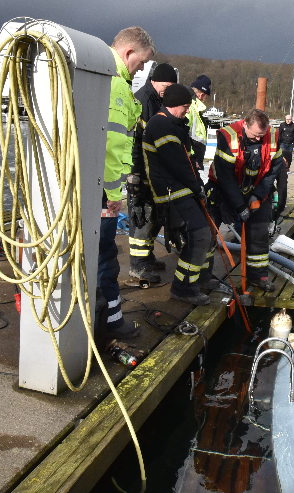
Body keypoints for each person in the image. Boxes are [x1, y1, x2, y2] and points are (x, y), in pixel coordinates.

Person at [99, 26, 154, 339]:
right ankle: (111, 322)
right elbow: (111, 149)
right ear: (129, 53)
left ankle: (98, 317)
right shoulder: (116, 86)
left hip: (86, 191)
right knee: (106, 258)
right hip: (102, 197)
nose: (141, 69)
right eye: (141, 62)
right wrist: (114, 195)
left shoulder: (97, 74)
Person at [143, 84, 214, 305]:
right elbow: (177, 164)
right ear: (174, 105)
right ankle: (183, 287)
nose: (186, 111)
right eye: (185, 107)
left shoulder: (171, 124)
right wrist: (197, 187)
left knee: (200, 235)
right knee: (200, 234)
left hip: (179, 190)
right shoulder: (162, 126)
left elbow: (186, 159)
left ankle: (194, 281)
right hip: (172, 192)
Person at [204, 108, 284, 292]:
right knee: (208, 232)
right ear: (245, 125)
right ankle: (203, 277)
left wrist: (258, 195)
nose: (258, 139)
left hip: (256, 189)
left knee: (259, 234)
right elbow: (225, 176)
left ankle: (258, 276)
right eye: (255, 135)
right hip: (223, 190)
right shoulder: (228, 137)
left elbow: (273, 172)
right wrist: (240, 206)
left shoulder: (272, 137)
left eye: (261, 136)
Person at [127, 63, 178, 284]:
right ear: (154, 80)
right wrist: (135, 176)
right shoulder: (143, 101)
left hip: (154, 170)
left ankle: (146, 257)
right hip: (141, 170)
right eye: (165, 85)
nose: (167, 90)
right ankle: (137, 267)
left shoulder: (158, 99)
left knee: (154, 216)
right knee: (142, 218)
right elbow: (135, 143)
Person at [187, 74, 212, 170]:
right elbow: (184, 133)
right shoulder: (191, 108)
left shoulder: (196, 109)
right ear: (202, 94)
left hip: (194, 159)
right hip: (191, 160)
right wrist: (193, 157)